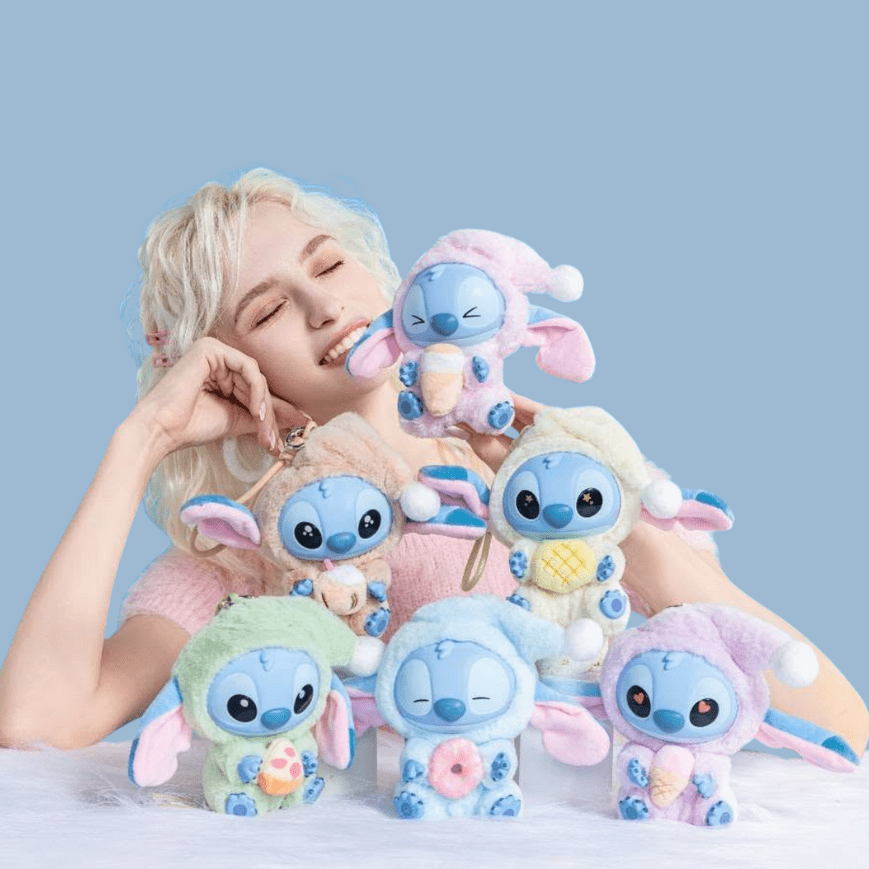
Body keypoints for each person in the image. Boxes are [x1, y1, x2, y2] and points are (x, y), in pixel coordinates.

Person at [0, 169, 865, 760]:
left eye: (328, 264)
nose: (323, 305)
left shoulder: (563, 474)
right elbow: (37, 720)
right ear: (232, 367)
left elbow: (837, 723)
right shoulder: (251, 553)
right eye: (267, 311)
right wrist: (140, 440)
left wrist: (605, 507)